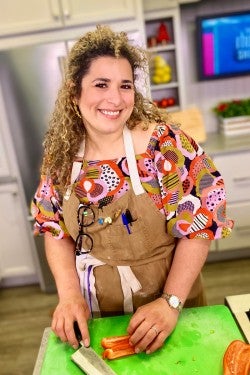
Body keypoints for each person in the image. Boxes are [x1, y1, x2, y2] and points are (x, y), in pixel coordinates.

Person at [31, 25, 233, 355]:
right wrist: (69, 295)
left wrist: (170, 302)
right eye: (101, 84)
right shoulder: (62, 157)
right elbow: (54, 228)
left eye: (125, 85)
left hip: (171, 303)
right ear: (74, 92)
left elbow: (201, 224)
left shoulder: (164, 147)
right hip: (98, 310)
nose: (116, 98)